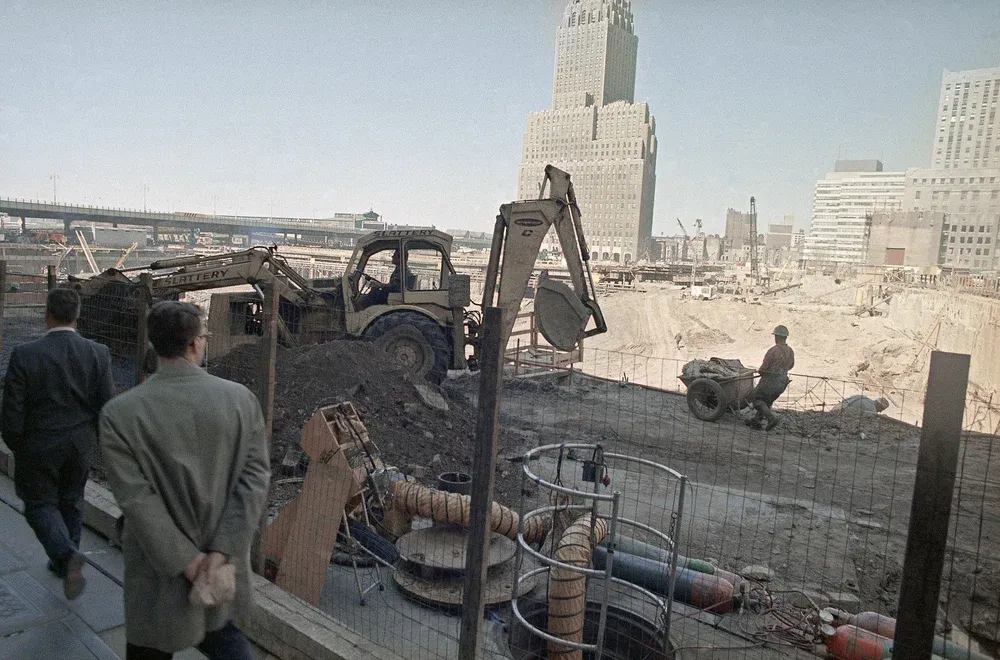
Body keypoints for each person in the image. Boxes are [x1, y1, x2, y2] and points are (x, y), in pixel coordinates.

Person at [99, 301, 270, 659]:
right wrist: (219, 552)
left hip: (156, 574)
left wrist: (187, 562)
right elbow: (254, 480)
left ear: (154, 345)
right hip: (220, 568)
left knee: (150, 647)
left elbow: (137, 500)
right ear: (196, 343)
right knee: (226, 640)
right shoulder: (241, 401)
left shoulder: (119, 414)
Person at [0, 287, 115, 599]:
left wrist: (18, 446)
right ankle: (65, 559)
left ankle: (65, 555)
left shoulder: (25, 354)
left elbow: (11, 411)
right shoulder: (98, 353)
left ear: (46, 314)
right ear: (76, 316)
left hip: (38, 444)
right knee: (71, 501)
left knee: (39, 504)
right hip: (79, 445)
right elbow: (107, 404)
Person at [747, 325, 795, 431]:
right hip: (782, 382)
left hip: (770, 382)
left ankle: (771, 418)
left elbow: (764, 368)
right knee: (767, 401)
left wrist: (760, 371)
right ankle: (756, 421)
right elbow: (791, 365)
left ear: (777, 337)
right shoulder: (791, 351)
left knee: (757, 400)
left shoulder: (773, 351)